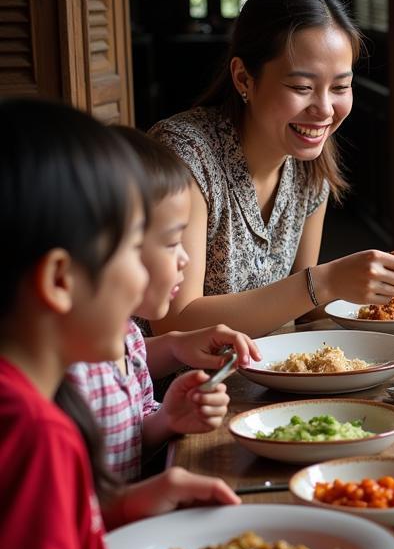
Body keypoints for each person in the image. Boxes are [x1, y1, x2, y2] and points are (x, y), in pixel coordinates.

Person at [0, 101, 283, 549]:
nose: (154, 277)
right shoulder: (33, 433)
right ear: (62, 280)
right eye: (133, 247)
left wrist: (122, 508)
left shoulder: (28, 401)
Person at [150, 0, 394, 337]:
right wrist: (324, 281)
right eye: (301, 87)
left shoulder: (311, 165)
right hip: (179, 390)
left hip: (262, 379)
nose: (324, 110)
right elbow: (174, 321)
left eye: (340, 87)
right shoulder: (185, 155)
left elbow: (305, 307)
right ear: (244, 78)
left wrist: (367, 283)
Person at [67, 128, 260, 482]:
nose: (185, 259)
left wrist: (165, 420)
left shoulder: (124, 334)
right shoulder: (66, 377)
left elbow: (128, 442)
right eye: (172, 243)